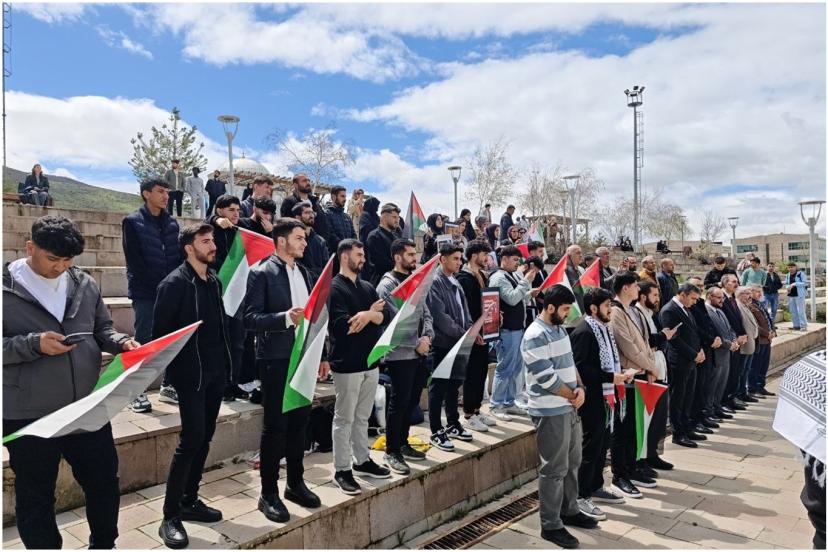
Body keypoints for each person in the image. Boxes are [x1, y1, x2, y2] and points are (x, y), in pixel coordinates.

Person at [3, 215, 139, 550]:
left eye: (67, 260)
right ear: (30, 247)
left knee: (104, 482)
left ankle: (104, 544)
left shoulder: (84, 284)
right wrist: (33, 344)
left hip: (85, 407)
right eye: (53, 259)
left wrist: (121, 342)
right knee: (36, 495)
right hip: (29, 412)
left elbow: (102, 328)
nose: (60, 267)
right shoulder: (6, 289)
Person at [244, 218, 329, 522]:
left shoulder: (305, 273)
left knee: (299, 423)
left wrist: (322, 355)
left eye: (304, 238)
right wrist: (284, 318)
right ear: (281, 241)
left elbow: (316, 317)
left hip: (305, 358)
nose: (305, 243)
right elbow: (250, 318)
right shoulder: (261, 273)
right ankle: (268, 493)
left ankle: (295, 483)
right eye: (299, 238)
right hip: (277, 359)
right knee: (275, 427)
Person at [153, 224, 231, 548]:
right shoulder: (173, 284)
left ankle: (189, 499)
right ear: (189, 248)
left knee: (205, 436)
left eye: (213, 240)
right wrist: (177, 374)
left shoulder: (214, 280)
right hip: (190, 376)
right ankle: (170, 516)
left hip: (214, 373)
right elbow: (161, 336)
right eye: (205, 241)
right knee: (191, 439)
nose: (213, 246)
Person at [521, 285, 597, 548]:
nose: (567, 314)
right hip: (550, 409)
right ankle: (550, 524)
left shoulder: (559, 329)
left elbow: (570, 363)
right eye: (565, 309)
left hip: (569, 406)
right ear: (550, 307)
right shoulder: (535, 335)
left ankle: (569, 509)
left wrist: (580, 387)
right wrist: (572, 395)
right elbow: (546, 378)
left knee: (573, 462)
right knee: (554, 469)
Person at [327, 239, 392, 494]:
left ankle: (362, 460)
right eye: (359, 255)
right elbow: (342, 326)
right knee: (344, 418)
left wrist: (369, 315)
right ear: (344, 257)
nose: (363, 259)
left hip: (370, 362)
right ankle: (342, 469)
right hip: (347, 364)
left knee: (363, 416)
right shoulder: (334, 288)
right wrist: (369, 315)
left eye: (363, 254)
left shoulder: (367, 287)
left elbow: (385, 316)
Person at [571, 288, 633, 520]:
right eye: (607, 306)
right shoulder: (585, 331)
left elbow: (607, 362)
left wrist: (620, 373)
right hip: (592, 397)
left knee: (602, 443)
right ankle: (581, 495)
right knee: (591, 446)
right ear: (593, 308)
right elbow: (581, 368)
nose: (610, 310)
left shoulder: (603, 329)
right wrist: (611, 377)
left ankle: (596, 485)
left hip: (606, 396)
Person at [122, 178, 181, 412]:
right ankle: (135, 391)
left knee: (170, 340)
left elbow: (177, 257)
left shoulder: (172, 223)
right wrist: (159, 285)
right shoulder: (132, 222)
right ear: (146, 194)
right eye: (160, 191)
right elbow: (135, 261)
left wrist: (173, 286)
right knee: (144, 341)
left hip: (169, 292)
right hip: (145, 292)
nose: (166, 196)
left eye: (167, 192)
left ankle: (168, 385)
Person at [377, 239, 433, 473]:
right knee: (398, 403)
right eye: (410, 255)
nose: (414, 258)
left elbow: (426, 312)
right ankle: (392, 450)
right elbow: (393, 323)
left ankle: (403, 442)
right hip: (399, 355)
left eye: (415, 254)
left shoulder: (415, 280)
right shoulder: (387, 286)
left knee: (411, 401)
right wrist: (416, 343)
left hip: (420, 352)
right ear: (397, 257)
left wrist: (427, 337)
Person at [607, 271, 661, 496]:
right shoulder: (616, 312)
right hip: (625, 378)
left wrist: (648, 366)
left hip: (638, 373)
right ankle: (619, 475)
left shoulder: (632, 310)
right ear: (625, 288)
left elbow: (644, 343)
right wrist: (650, 366)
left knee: (632, 428)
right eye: (636, 286)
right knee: (621, 430)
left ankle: (631, 468)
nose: (639, 289)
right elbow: (628, 347)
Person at [426, 244, 475, 450]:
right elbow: (440, 317)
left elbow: (465, 310)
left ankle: (453, 423)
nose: (459, 262)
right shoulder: (434, 282)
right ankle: (436, 429)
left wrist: (470, 329)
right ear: (442, 259)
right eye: (455, 258)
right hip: (443, 343)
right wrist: (463, 333)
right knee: (438, 388)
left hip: (459, 342)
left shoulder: (455, 281)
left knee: (454, 385)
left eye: (460, 258)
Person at [206, 195, 251, 402]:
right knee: (219, 341)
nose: (236, 214)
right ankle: (221, 385)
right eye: (231, 210)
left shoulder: (241, 228)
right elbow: (202, 227)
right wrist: (215, 220)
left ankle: (234, 382)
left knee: (237, 341)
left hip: (238, 293)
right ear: (220, 210)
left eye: (238, 210)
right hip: (217, 291)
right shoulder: (211, 227)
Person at [489, 245, 538, 420]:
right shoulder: (498, 277)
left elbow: (519, 298)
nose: (518, 264)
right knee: (505, 368)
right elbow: (511, 298)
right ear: (504, 259)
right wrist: (526, 282)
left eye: (519, 260)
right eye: (515, 260)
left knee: (515, 368)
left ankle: (509, 402)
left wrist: (529, 293)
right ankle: (496, 404)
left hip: (517, 329)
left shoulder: (510, 275)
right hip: (507, 330)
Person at [630, 282, 677, 467]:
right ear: (643, 297)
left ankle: (653, 454)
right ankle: (642, 458)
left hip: (658, 366)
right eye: (655, 295)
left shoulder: (651, 314)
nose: (658, 299)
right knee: (647, 418)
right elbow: (645, 343)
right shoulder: (637, 314)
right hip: (649, 370)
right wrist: (663, 336)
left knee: (659, 417)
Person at [456, 240, 498, 433]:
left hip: (485, 331)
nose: (487, 258)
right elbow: (466, 309)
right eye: (484, 254)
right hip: (472, 333)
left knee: (481, 371)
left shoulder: (482, 275)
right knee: (472, 373)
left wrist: (496, 315)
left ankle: (477, 409)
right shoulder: (464, 278)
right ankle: (468, 414)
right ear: (474, 255)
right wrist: (473, 331)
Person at [659, 283, 705, 448]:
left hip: (691, 359)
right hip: (679, 361)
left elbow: (693, 333)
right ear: (683, 294)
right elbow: (674, 339)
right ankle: (678, 433)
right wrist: (694, 354)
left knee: (688, 397)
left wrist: (699, 350)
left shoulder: (686, 308)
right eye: (693, 298)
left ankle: (687, 427)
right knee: (678, 398)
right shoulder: (669, 310)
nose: (694, 302)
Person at [685, 276, 721, 436]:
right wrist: (710, 339)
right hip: (698, 349)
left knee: (704, 385)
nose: (700, 288)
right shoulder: (688, 304)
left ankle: (702, 416)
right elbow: (695, 329)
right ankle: (695, 420)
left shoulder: (699, 302)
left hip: (708, 348)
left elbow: (707, 323)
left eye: (701, 286)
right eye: (696, 286)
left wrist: (716, 337)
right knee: (697, 388)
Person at [704, 286, 740, 421]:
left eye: (723, 298)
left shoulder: (720, 311)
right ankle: (708, 411)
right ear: (709, 297)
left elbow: (729, 329)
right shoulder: (707, 311)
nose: (722, 300)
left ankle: (717, 407)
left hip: (726, 354)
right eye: (719, 298)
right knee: (712, 385)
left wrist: (734, 340)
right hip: (716, 354)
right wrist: (729, 344)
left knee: (721, 384)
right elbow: (714, 333)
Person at [720, 274, 749, 411]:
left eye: (737, 281)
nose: (736, 284)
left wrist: (743, 334)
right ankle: (725, 401)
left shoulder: (732, 298)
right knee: (729, 374)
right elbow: (727, 321)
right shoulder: (722, 299)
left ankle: (732, 398)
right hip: (730, 341)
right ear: (725, 283)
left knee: (735, 372)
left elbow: (738, 319)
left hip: (738, 340)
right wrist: (735, 337)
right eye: (733, 282)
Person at [279, 173, 330, 242]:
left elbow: (324, 223)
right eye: (304, 181)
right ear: (296, 185)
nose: (308, 183)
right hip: (301, 244)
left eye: (308, 180)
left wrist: (325, 241)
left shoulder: (315, 203)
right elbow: (286, 224)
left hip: (320, 244)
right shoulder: (289, 202)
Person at [293, 201, 330, 284]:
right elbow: (295, 264)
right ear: (298, 217)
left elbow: (326, 267)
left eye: (312, 212)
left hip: (319, 284)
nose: (311, 215)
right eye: (307, 213)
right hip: (301, 283)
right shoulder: (293, 240)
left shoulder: (320, 241)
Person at [747, 285, 775, 397]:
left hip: (767, 340)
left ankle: (760, 386)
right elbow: (755, 325)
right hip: (760, 340)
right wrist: (767, 334)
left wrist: (773, 331)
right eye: (757, 291)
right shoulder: (750, 306)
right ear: (751, 292)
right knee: (755, 366)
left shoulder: (760, 304)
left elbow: (768, 320)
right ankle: (753, 388)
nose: (760, 294)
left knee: (764, 365)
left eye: (760, 291)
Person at [364, 203, 400, 285]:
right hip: (380, 283)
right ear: (384, 218)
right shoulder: (374, 236)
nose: (397, 220)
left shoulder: (395, 237)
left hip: (395, 281)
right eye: (394, 217)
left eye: (398, 218)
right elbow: (382, 264)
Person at [735, 286, 759, 403]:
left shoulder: (746, 306)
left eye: (750, 293)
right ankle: (739, 393)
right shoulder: (738, 305)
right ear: (739, 295)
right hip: (744, 344)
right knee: (741, 370)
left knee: (746, 370)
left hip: (751, 342)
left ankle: (743, 393)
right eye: (747, 293)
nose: (750, 296)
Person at [326, 185, 357, 255]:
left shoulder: (347, 217)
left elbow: (353, 234)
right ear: (333, 197)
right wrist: (344, 247)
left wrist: (353, 247)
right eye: (342, 196)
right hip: (334, 255)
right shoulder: (327, 214)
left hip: (349, 255)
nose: (345, 199)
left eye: (345, 196)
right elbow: (331, 235)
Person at [784, 261, 808, 331]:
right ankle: (796, 325)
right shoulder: (787, 275)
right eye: (789, 267)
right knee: (793, 311)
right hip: (791, 295)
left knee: (801, 311)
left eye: (792, 267)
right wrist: (787, 287)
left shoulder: (801, 274)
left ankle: (803, 326)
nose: (790, 269)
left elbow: (805, 283)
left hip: (799, 295)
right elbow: (786, 283)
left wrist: (794, 284)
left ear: (795, 267)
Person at [565, 245, 586, 314]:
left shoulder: (581, 269)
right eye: (578, 253)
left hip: (584, 306)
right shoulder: (565, 270)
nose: (581, 255)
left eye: (581, 253)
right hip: (573, 309)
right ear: (569, 256)